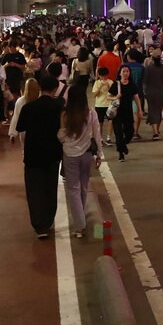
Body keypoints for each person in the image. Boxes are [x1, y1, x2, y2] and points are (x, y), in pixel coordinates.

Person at [18, 72, 65, 239]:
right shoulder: (59, 106)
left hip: (32, 153)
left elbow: (20, 128)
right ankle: (48, 220)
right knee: (50, 187)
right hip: (53, 152)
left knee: (34, 189)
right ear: (54, 89)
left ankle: (39, 226)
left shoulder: (28, 107)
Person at [59, 81, 104, 238]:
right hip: (86, 154)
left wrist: (65, 140)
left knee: (73, 190)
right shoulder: (91, 113)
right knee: (84, 187)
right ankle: (82, 219)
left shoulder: (65, 115)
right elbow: (97, 134)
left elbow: (61, 135)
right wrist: (99, 154)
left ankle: (80, 226)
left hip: (70, 155)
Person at [113, 65, 143, 161]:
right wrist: (116, 97)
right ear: (120, 73)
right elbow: (108, 96)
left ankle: (123, 145)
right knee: (118, 134)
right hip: (117, 112)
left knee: (130, 133)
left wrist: (140, 110)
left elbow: (136, 98)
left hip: (128, 112)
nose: (126, 73)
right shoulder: (116, 84)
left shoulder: (132, 85)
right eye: (124, 71)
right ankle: (121, 153)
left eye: (127, 71)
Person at [142, 50, 163, 140]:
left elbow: (145, 82)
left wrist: (144, 92)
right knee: (158, 111)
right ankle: (157, 130)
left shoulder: (148, 68)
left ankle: (155, 132)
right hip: (161, 93)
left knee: (152, 111)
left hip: (150, 93)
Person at [91, 67, 118, 145]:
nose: (103, 78)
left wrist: (108, 86)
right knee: (100, 122)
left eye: (105, 76)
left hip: (109, 104)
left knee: (111, 121)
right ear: (99, 75)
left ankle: (109, 137)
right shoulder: (96, 83)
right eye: (102, 76)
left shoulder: (111, 82)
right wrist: (100, 87)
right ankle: (100, 138)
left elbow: (114, 93)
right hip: (99, 105)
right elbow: (94, 95)